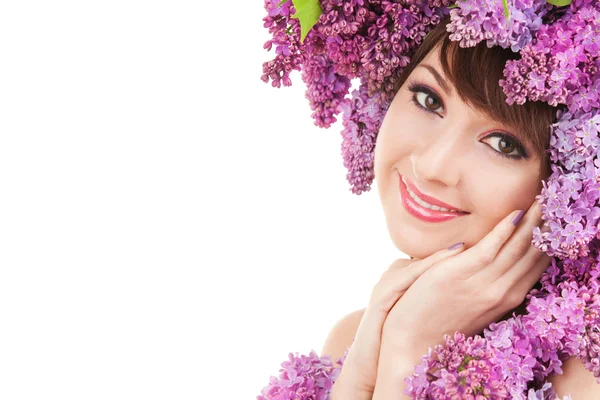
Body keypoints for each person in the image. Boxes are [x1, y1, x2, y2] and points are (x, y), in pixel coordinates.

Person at [258, 1, 600, 399]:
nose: (432, 165)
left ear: (573, 178)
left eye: (503, 144)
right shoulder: (359, 338)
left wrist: (409, 353)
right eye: (429, 100)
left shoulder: (584, 380)